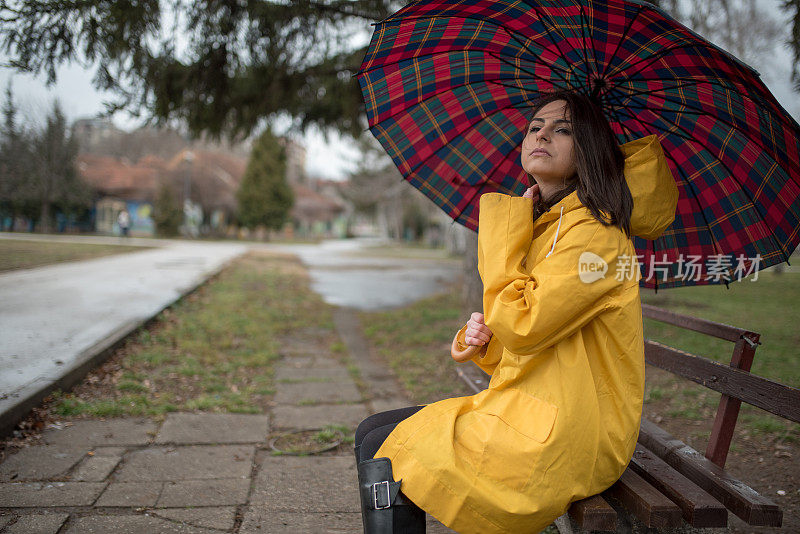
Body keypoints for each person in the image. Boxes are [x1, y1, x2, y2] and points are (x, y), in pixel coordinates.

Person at [354, 90, 678, 534]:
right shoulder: (547, 226)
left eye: (563, 129)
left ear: (590, 150)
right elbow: (521, 333)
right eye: (535, 127)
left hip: (573, 428)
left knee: (383, 448)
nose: (542, 134)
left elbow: (526, 325)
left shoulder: (597, 237)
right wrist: (482, 339)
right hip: (531, 405)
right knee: (373, 432)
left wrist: (506, 238)